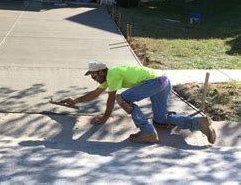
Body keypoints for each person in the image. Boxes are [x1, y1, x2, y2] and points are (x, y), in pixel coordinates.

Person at [60, 61, 217, 144]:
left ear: (101, 72)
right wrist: (75, 100)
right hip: (163, 80)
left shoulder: (113, 74)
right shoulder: (110, 76)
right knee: (161, 120)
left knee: (123, 98)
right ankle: (199, 123)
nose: (93, 79)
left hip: (155, 81)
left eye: (94, 75)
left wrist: (104, 118)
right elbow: (95, 93)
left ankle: (147, 132)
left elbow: (111, 99)